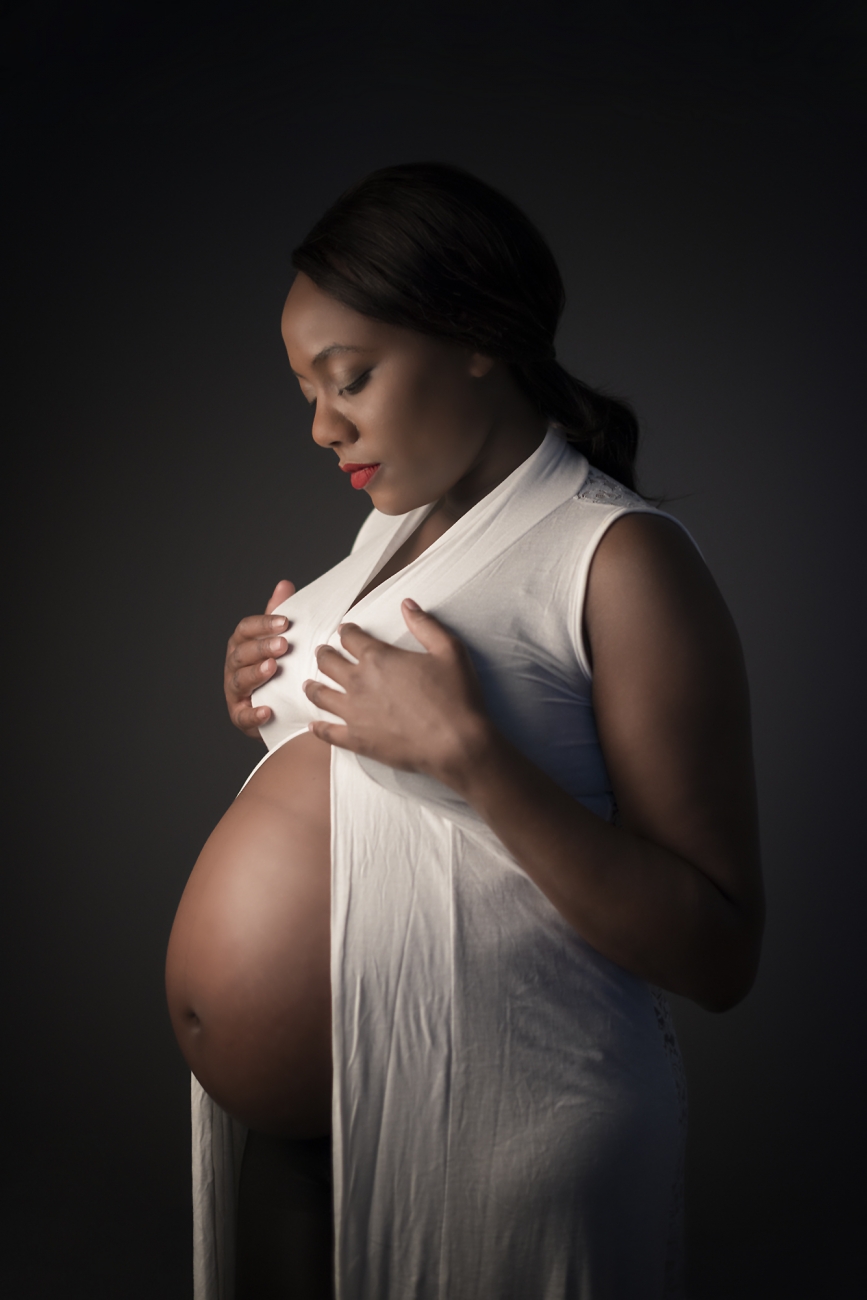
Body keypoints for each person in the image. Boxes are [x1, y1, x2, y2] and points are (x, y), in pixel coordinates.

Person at [166, 162, 764, 1300]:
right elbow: (374, 798)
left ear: (477, 336)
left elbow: (720, 951)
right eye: (305, 390)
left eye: (350, 378)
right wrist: (273, 698)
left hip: (495, 1142)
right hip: (299, 1150)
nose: (321, 426)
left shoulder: (621, 560)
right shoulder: (388, 533)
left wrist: (475, 760)